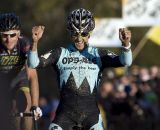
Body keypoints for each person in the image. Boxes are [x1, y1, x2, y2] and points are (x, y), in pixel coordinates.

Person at [28, 8, 132, 130]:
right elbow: (33, 63)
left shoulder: (98, 54)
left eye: (83, 34)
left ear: (90, 33)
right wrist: (34, 43)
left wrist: (126, 45)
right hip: (64, 116)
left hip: (91, 117)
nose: (79, 39)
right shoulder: (61, 53)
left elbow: (126, 61)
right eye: (75, 34)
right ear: (69, 33)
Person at [0, 13, 42, 130]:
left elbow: (33, 76)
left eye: (12, 35)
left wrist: (35, 105)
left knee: (25, 102)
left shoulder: (24, 44)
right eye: (4, 35)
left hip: (20, 82)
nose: (8, 40)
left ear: (18, 34)